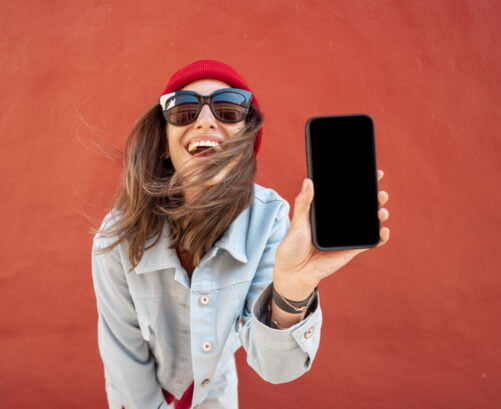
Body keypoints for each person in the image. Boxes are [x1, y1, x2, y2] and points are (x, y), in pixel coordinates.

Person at [91, 60, 390, 409]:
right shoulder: (117, 236)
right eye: (185, 110)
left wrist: (292, 289)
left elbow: (277, 367)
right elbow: (124, 361)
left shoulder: (269, 221)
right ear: (163, 141)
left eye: (228, 109)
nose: (205, 120)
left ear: (246, 141)